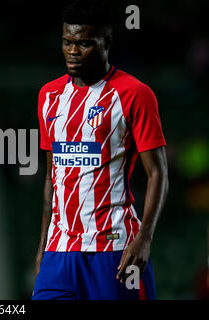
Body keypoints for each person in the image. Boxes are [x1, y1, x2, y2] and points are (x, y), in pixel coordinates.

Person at [32, 0, 169, 300]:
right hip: (60, 251)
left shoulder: (135, 94)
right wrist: (43, 249)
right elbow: (51, 178)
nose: (72, 51)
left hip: (115, 249)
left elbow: (158, 173)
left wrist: (144, 239)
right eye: (67, 42)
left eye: (84, 43)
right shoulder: (49, 96)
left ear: (107, 42)